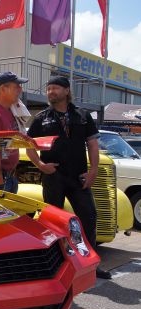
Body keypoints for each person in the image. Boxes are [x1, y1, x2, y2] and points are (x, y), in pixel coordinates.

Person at [26, 76, 110, 279]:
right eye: (49, 89)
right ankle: (55, 266)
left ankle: (91, 265)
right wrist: (41, 165)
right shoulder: (41, 118)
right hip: (54, 177)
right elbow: (29, 145)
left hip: (78, 177)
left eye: (55, 88)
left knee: (88, 217)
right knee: (53, 222)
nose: (51, 92)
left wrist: (93, 171)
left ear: (66, 91)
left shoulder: (82, 116)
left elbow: (92, 144)